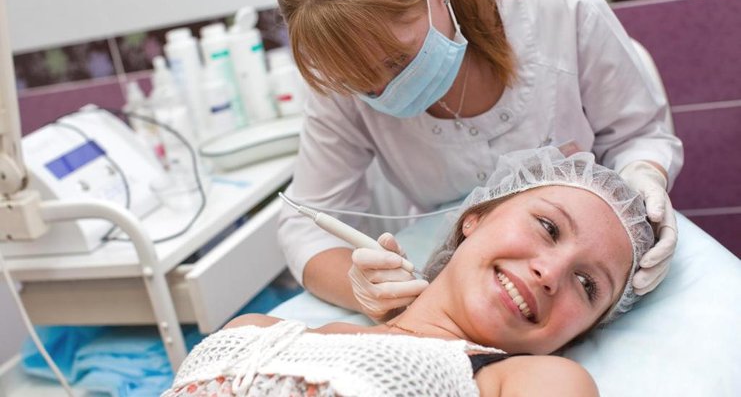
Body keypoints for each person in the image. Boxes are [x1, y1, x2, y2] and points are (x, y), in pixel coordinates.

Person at [276, 0, 682, 322]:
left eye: (396, 61)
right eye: (361, 83)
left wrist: (644, 174)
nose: (385, 91)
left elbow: (637, 135)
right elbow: (305, 225)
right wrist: (366, 292)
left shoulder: (562, 9)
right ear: (469, 224)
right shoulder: (337, 77)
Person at [162, 148, 654, 396]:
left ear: (581, 331)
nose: (551, 272)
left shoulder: (540, 381)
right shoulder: (255, 330)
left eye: (588, 285)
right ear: (474, 218)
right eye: (548, 227)